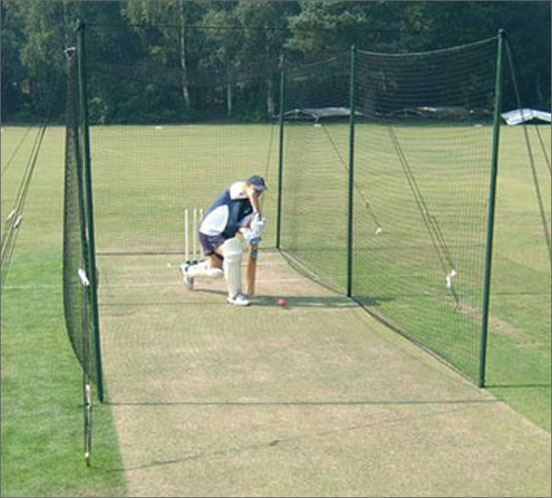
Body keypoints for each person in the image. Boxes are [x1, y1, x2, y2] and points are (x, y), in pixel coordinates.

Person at [180, 175, 266, 306]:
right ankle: (235, 295)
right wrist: (258, 214)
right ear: (249, 186)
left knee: (216, 272)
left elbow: (240, 226)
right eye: (257, 190)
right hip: (211, 231)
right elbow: (250, 192)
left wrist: (250, 233)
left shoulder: (249, 208)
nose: (258, 194)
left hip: (225, 234)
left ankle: (188, 270)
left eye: (261, 191)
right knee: (233, 252)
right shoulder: (238, 188)